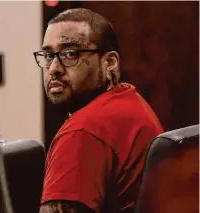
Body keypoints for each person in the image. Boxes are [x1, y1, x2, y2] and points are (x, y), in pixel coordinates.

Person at [33, 8, 164, 213]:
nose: (53, 69)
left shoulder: (83, 131)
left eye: (70, 54)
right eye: (49, 55)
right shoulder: (130, 101)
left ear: (109, 62)